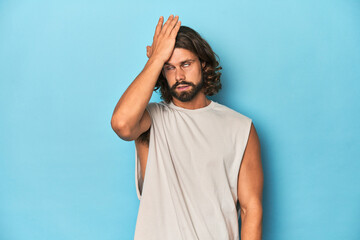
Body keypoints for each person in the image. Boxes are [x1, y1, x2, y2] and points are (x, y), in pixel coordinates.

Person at [111, 14, 263, 240]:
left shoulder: (240, 127)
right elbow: (121, 124)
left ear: (203, 64)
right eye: (169, 67)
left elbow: (251, 209)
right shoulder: (150, 120)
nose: (179, 75)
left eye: (186, 64)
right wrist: (155, 60)